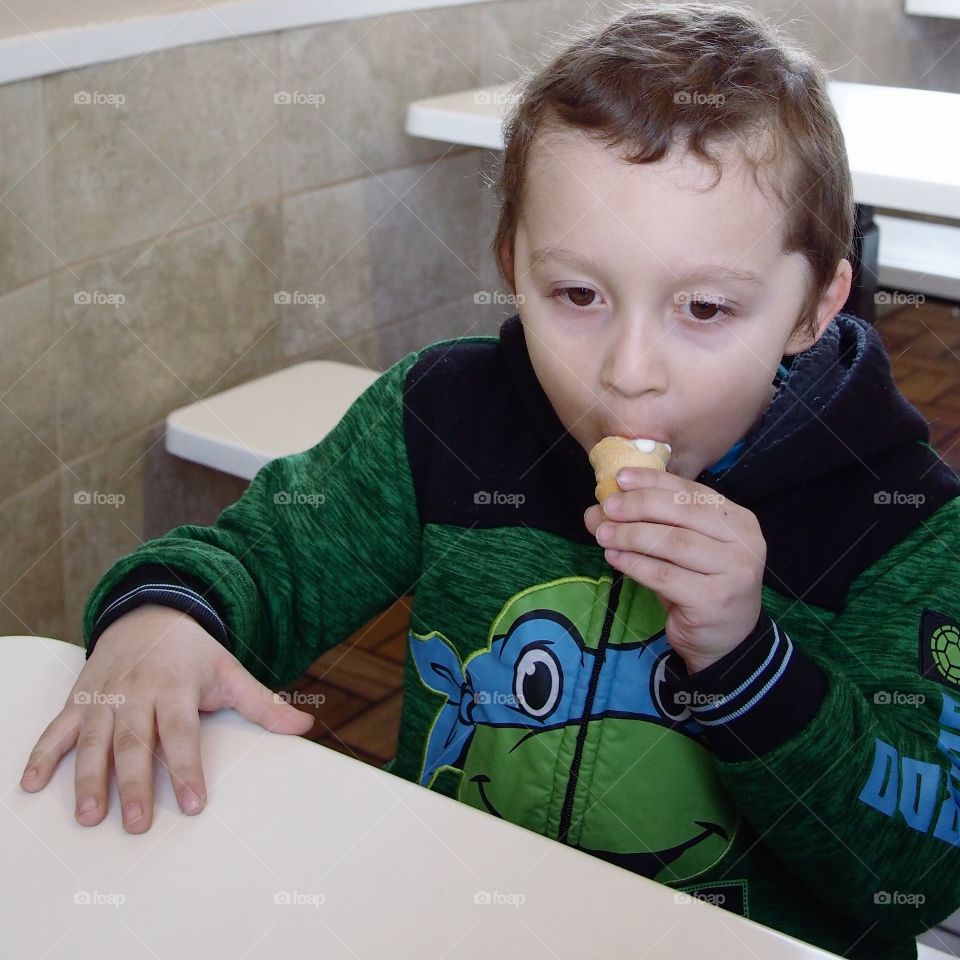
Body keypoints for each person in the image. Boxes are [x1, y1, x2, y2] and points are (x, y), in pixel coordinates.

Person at [20, 2, 960, 956]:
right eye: (578, 295)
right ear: (512, 265)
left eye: (707, 307)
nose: (629, 370)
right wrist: (163, 622)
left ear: (814, 307)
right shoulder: (444, 419)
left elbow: (915, 873)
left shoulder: (905, 531)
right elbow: (268, 558)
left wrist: (752, 662)